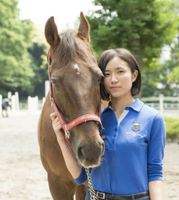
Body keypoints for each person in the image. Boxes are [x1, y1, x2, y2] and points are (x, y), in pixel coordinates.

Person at [50, 48, 166, 200]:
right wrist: (61, 139)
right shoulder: (95, 121)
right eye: (107, 74)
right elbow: (80, 177)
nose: (113, 80)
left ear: (134, 75)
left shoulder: (153, 119)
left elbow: (155, 172)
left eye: (120, 72)